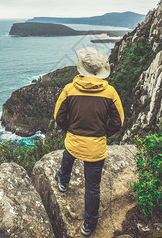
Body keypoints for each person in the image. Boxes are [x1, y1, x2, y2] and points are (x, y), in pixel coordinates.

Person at [54, 47, 124, 236]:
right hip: (96, 148)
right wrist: (103, 133)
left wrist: (70, 130)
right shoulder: (110, 92)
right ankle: (89, 224)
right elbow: (118, 122)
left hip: (73, 141)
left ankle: (63, 181)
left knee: (67, 156)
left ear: (81, 68)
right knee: (92, 188)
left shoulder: (69, 89)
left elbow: (58, 116)